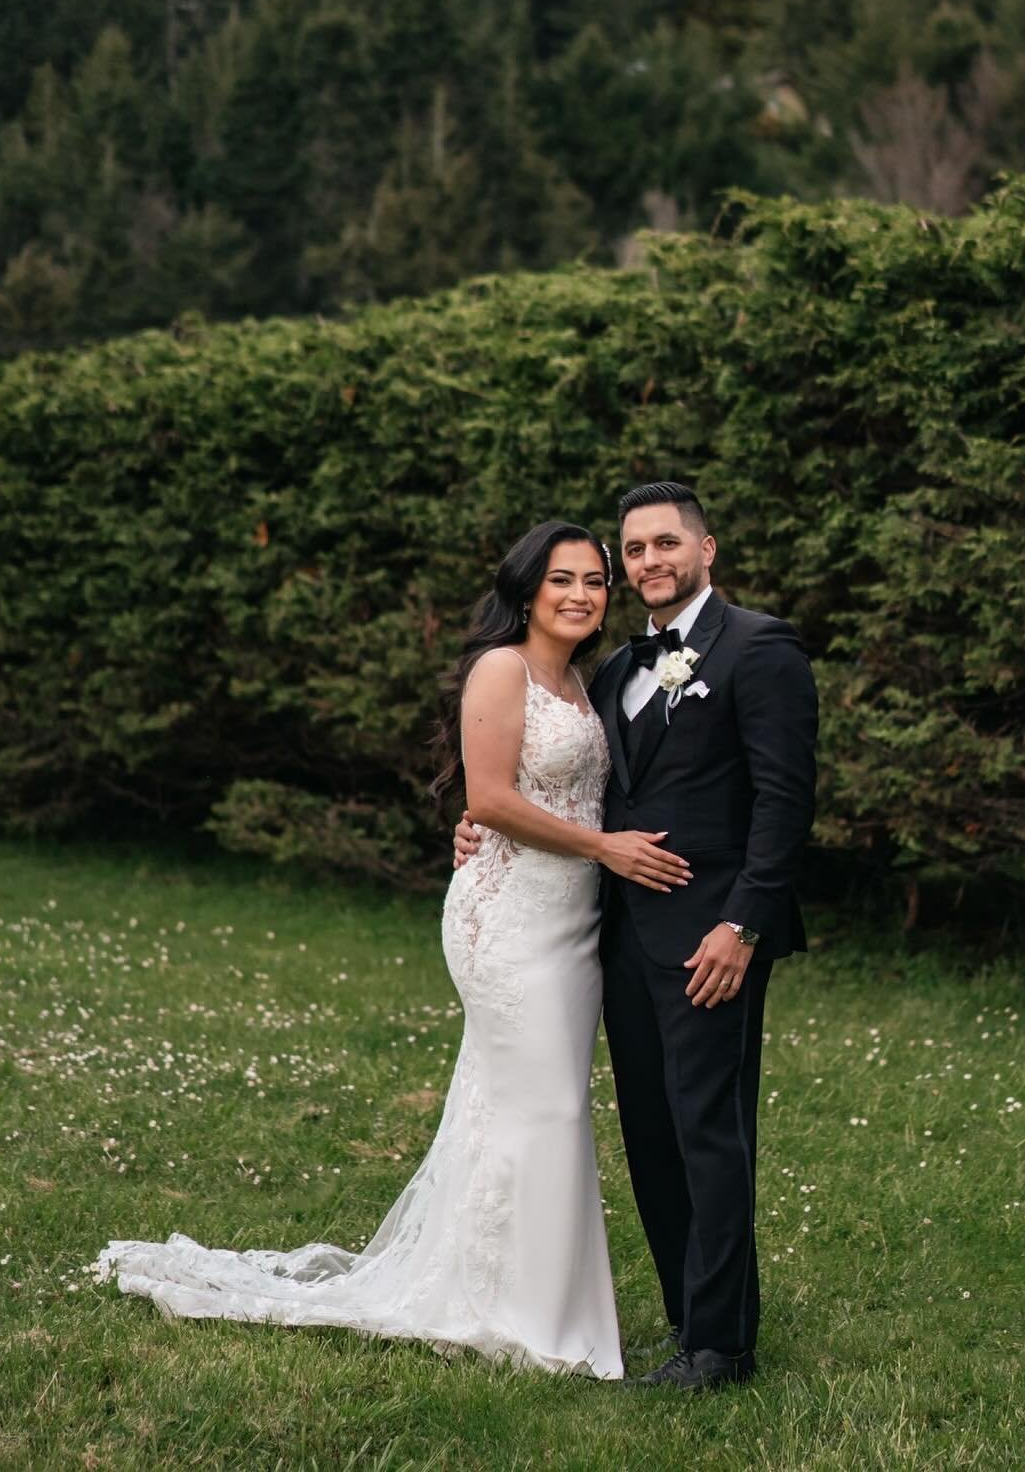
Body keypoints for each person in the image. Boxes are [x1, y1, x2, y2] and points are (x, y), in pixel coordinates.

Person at [90, 519, 687, 1379]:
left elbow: (552, 792)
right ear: (527, 589)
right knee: (546, 1107)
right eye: (564, 579)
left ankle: (518, 1296)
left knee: (529, 1106)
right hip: (509, 917)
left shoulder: (582, 681)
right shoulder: (501, 667)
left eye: (596, 581)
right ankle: (533, 1321)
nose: (583, 595)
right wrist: (603, 849)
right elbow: (489, 797)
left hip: (573, 921)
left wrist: (592, 851)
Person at [454, 481, 819, 1390]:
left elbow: (785, 801)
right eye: (638, 550)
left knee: (711, 1132)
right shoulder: (611, 670)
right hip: (617, 942)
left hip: (712, 944)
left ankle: (725, 1346)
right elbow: (568, 789)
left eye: (666, 544)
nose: (650, 562)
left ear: (707, 550)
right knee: (653, 1139)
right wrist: (479, 825)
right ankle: (688, 1323)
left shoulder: (760, 648)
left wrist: (745, 924)